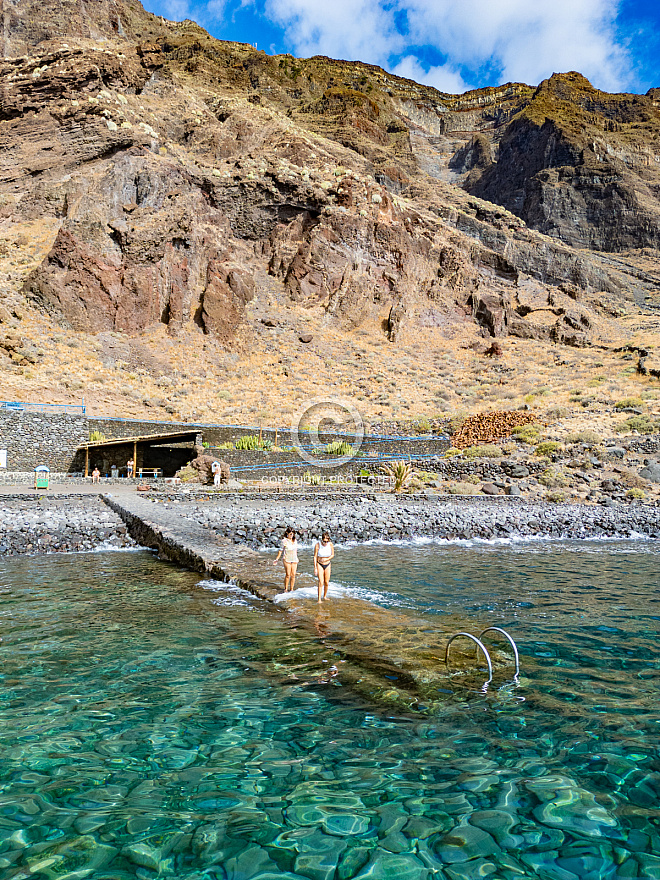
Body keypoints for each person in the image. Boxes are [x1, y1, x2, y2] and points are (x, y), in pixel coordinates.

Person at [273, 526, 298, 592]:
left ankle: (292, 589)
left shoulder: (295, 540)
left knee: (293, 575)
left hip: (294, 559)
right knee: (288, 575)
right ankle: (286, 588)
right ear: (287, 533)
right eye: (290, 534)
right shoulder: (284, 541)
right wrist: (277, 559)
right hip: (287, 559)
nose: (291, 535)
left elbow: (296, 550)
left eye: (292, 534)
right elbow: (280, 551)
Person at [313, 532, 334, 603]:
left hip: (327, 564)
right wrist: (315, 568)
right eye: (324, 541)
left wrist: (327, 559)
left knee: (326, 582)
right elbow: (315, 556)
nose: (325, 543)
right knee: (321, 582)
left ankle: (324, 596)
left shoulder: (330, 544)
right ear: (322, 540)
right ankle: (319, 599)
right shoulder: (318, 545)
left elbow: (332, 555)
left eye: (327, 541)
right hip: (319, 564)